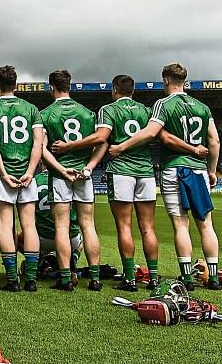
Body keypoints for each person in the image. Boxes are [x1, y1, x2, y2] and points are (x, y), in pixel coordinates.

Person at [108, 63, 220, 290]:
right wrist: (211, 170)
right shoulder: (202, 106)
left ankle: (187, 278)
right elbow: (214, 142)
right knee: (206, 225)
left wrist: (122, 147)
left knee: (181, 224)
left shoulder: (162, 104)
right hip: (199, 170)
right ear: (184, 81)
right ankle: (215, 278)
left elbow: (152, 133)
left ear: (166, 81)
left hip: (174, 169)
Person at [0, 65, 43, 292]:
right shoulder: (32, 109)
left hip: (2, 174)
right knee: (30, 226)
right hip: (28, 174)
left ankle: (12, 280)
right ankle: (32, 280)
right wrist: (29, 171)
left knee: (6, 227)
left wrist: (5, 174)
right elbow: (38, 143)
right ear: (15, 84)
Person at [39, 70, 103, 291]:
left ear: (51, 87)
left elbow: (41, 149)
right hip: (84, 175)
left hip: (60, 176)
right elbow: (102, 142)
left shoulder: (45, 114)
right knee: (88, 225)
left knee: (62, 227)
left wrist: (60, 169)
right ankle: (94, 278)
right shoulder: (87, 113)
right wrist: (90, 166)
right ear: (70, 85)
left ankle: (65, 278)